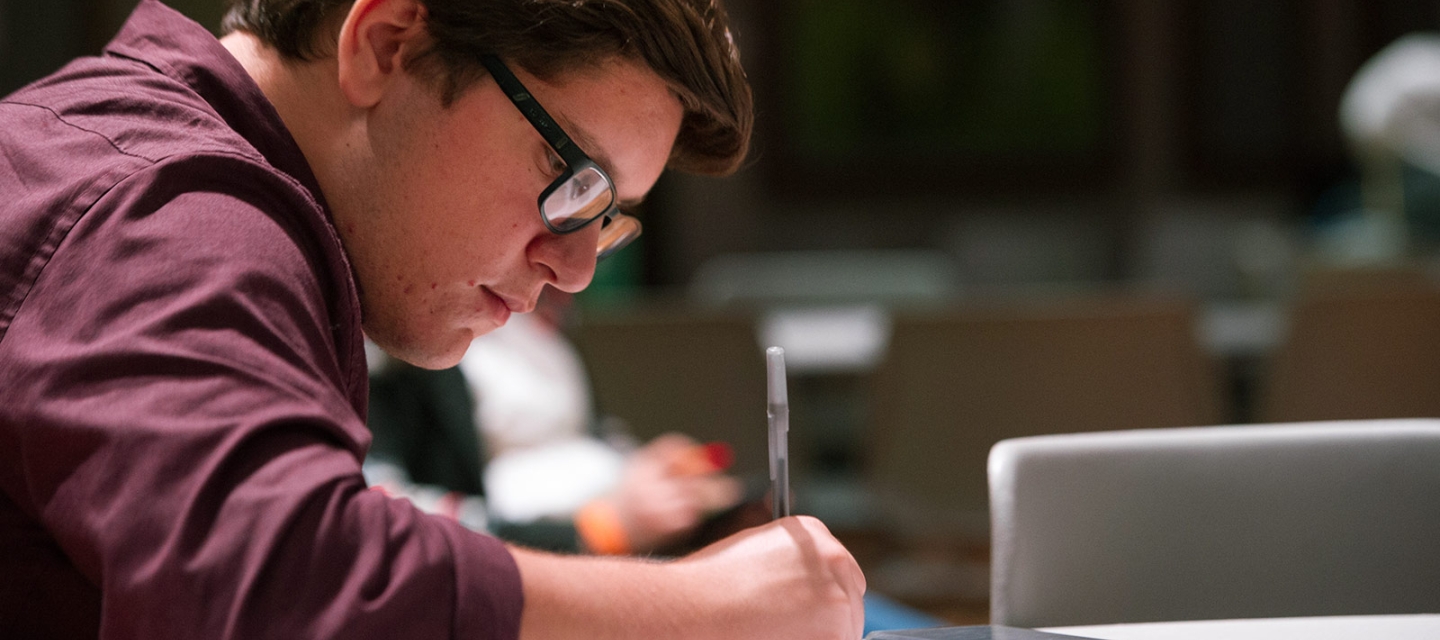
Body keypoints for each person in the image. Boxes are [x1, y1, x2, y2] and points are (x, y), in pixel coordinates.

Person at [0, 0, 866, 638]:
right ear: (385, 43)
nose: (573, 266)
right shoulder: (175, 215)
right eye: (573, 181)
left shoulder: (139, 156)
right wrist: (704, 610)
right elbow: (276, 592)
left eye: (606, 216)